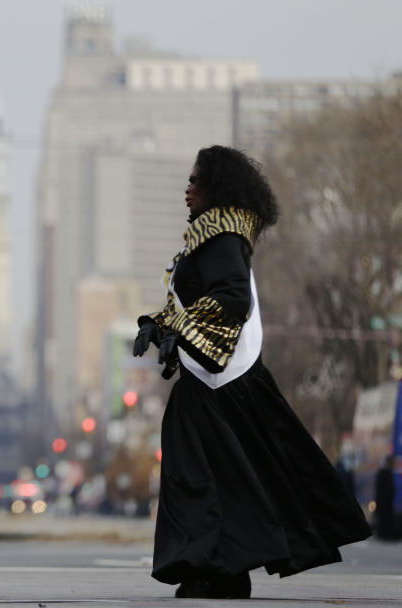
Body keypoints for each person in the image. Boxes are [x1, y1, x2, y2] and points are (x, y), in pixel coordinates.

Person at [133, 145, 371, 599]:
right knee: (228, 481)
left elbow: (233, 298)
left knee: (200, 481)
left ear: (216, 187)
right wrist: (158, 324)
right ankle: (221, 570)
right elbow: (199, 300)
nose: (187, 188)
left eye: (195, 180)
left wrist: (180, 329)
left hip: (219, 387)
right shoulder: (209, 236)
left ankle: (212, 567)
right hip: (217, 386)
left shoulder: (221, 237)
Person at [373, 455, 398, 540]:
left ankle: (386, 534)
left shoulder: (388, 472)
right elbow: (381, 488)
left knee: (386, 518)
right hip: (383, 502)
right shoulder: (383, 473)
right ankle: (382, 534)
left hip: (387, 502)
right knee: (383, 518)